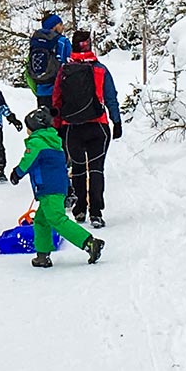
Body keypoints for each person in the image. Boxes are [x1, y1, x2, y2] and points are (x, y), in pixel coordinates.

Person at [50, 29, 123, 230]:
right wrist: (116, 122)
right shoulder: (100, 69)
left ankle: (80, 209)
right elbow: (111, 97)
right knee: (97, 168)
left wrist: (58, 125)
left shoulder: (65, 70)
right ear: (90, 45)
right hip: (98, 125)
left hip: (72, 127)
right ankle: (96, 213)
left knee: (79, 169)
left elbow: (56, 99)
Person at [15, 108, 102, 268]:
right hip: (57, 187)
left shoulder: (37, 142)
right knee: (41, 221)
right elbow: (62, 167)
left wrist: (17, 173)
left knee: (56, 219)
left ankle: (89, 242)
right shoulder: (54, 142)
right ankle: (42, 256)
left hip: (49, 189)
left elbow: (28, 160)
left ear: (35, 127)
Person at [23, 11, 70, 108]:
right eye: (60, 24)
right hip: (59, 91)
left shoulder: (35, 43)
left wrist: (37, 90)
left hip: (41, 92)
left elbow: (28, 71)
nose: (63, 27)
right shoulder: (62, 41)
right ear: (53, 26)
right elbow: (70, 64)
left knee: (45, 120)